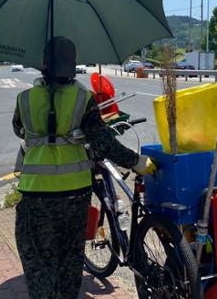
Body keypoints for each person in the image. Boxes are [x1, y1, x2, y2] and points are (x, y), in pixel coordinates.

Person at [12, 36, 155, 299]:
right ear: (72, 64)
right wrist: (137, 162)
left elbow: (19, 129)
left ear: (43, 63)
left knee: (38, 262)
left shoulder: (24, 99)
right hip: (75, 196)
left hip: (35, 196)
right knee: (70, 259)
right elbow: (104, 144)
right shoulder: (83, 99)